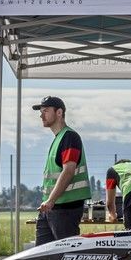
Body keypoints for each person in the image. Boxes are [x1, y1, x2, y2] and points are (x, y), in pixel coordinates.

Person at [33, 96, 91, 245]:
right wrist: (49, 203)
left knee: (65, 256)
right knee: (42, 255)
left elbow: (68, 171)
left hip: (65, 208)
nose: (41, 115)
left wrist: (51, 201)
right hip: (51, 208)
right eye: (41, 111)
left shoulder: (69, 137)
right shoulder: (59, 138)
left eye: (45, 111)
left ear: (59, 112)